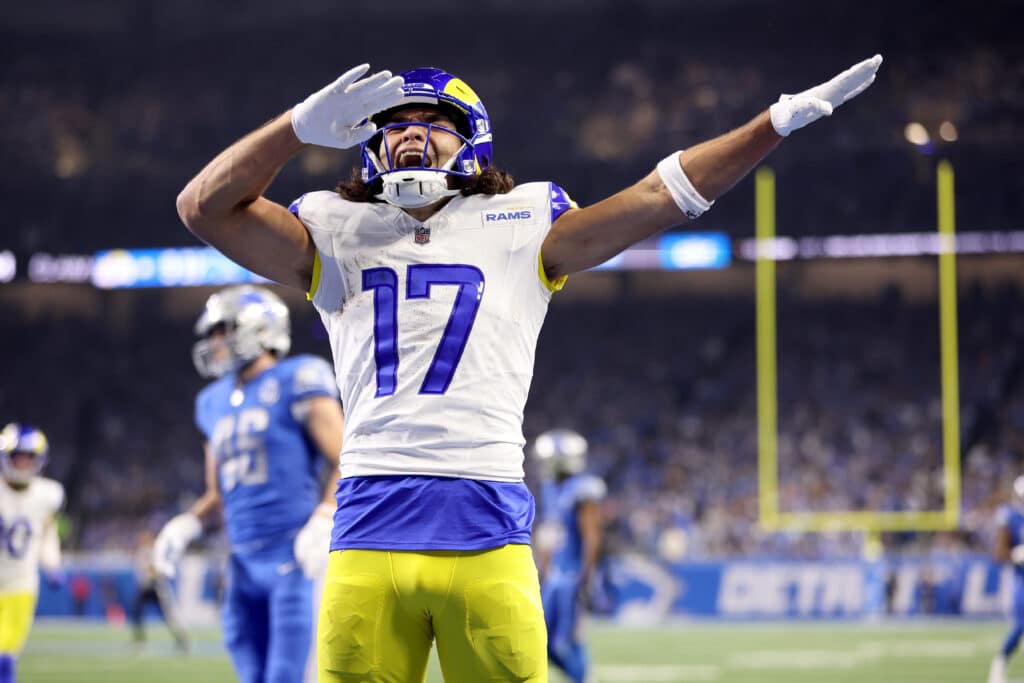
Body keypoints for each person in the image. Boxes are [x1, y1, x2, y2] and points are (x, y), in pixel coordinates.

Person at [175, 56, 883, 681]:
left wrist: (773, 123)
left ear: (474, 138)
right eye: (394, 123)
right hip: (367, 526)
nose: (411, 132)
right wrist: (295, 127)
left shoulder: (522, 218)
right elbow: (202, 208)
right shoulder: (332, 225)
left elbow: (656, 197)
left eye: (435, 121)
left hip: (485, 525)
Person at [153, 285, 344, 683]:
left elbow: (349, 461)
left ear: (260, 328)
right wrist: (186, 523)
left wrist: (325, 516)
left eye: (223, 330)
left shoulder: (299, 377)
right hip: (241, 563)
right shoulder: (212, 401)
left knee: (288, 677)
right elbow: (216, 494)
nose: (214, 342)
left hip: (295, 554)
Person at [533, 429, 606, 683]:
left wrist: (585, 576)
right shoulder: (551, 488)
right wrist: (543, 570)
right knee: (540, 642)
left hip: (573, 575)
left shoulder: (583, 489)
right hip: (555, 577)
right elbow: (550, 535)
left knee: (567, 641)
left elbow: (591, 536)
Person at [0, 423, 64, 683]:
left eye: (29, 458)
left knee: (6, 654)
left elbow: (47, 534)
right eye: (18, 457)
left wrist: (52, 564)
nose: (24, 464)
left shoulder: (48, 494)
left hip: (20, 580)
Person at [989, 475, 1024, 683]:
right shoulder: (1009, 516)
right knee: (1021, 625)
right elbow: (999, 554)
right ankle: (1000, 662)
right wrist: (1016, 554)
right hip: (1021, 580)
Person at [131, 530, 189, 652]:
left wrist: (152, 570)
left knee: (167, 616)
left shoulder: (156, 553)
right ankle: (139, 640)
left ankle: (181, 639)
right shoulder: (141, 553)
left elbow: (157, 571)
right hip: (145, 587)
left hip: (156, 587)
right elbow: (142, 571)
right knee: (137, 612)